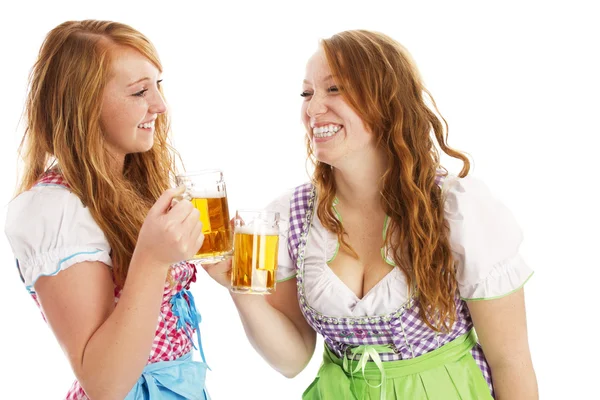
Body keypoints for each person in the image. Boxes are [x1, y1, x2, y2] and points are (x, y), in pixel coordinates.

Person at [204, 30, 538, 399]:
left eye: (334, 89)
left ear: (386, 101)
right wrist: (241, 288)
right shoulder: (290, 217)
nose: (313, 109)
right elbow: (293, 360)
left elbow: (511, 361)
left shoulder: (457, 209)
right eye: (307, 93)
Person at [5, 20, 209, 399]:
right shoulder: (54, 209)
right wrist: (151, 258)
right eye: (139, 92)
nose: (160, 106)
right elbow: (105, 384)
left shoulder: (130, 183)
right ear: (82, 104)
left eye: (158, 86)